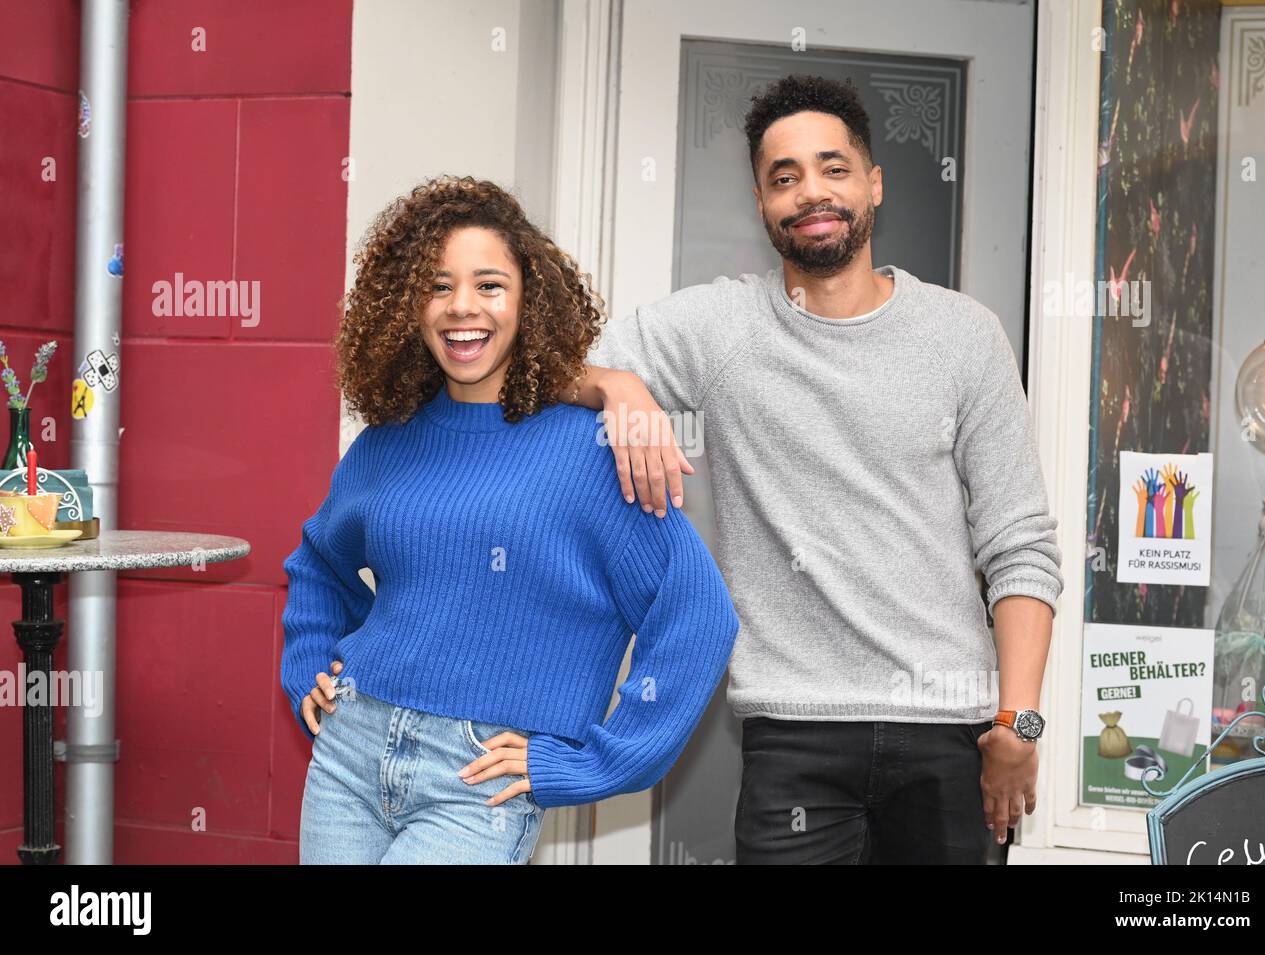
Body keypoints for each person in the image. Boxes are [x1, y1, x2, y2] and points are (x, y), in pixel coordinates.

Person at [567, 74, 1064, 863]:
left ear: (873, 184)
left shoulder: (965, 336)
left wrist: (1018, 723)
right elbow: (539, 367)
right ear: (763, 202)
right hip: (792, 739)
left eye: (833, 168)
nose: (810, 192)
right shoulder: (719, 328)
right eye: (784, 177)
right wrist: (616, 384)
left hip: (951, 734)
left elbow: (1021, 547)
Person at [281, 175, 740, 864]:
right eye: (438, 285)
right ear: (409, 306)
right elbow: (319, 560)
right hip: (350, 752)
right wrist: (312, 660)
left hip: (477, 785)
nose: (462, 307)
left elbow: (700, 617)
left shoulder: (590, 451)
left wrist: (592, 763)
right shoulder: (387, 442)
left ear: (528, 301)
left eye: (489, 285)